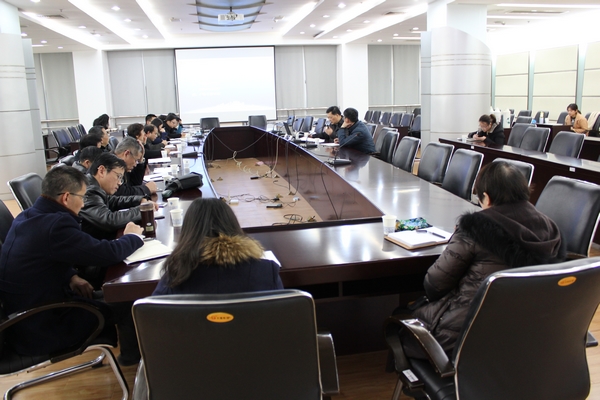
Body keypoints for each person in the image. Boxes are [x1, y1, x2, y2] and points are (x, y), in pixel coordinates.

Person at [400, 161, 566, 358]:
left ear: (486, 197)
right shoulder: (551, 228)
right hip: (527, 335)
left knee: (403, 317)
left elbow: (435, 285)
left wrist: (457, 239)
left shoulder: (475, 228)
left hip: (464, 338)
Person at [0, 166, 144, 363]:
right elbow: (107, 254)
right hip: (45, 328)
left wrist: (71, 276)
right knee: (130, 302)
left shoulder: (28, 216)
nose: (83, 204)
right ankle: (131, 362)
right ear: (66, 197)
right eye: (82, 197)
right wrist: (133, 237)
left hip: (25, 321)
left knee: (118, 294)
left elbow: (41, 260)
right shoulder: (57, 225)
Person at [153, 198, 283, 295]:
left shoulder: (175, 276)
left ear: (189, 233)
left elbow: (152, 315)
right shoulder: (267, 272)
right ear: (233, 226)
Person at [80, 153, 157, 240]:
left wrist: (139, 200)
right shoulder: (88, 190)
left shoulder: (94, 186)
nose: (120, 183)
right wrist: (141, 210)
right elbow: (109, 220)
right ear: (102, 171)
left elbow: (113, 201)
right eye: (118, 176)